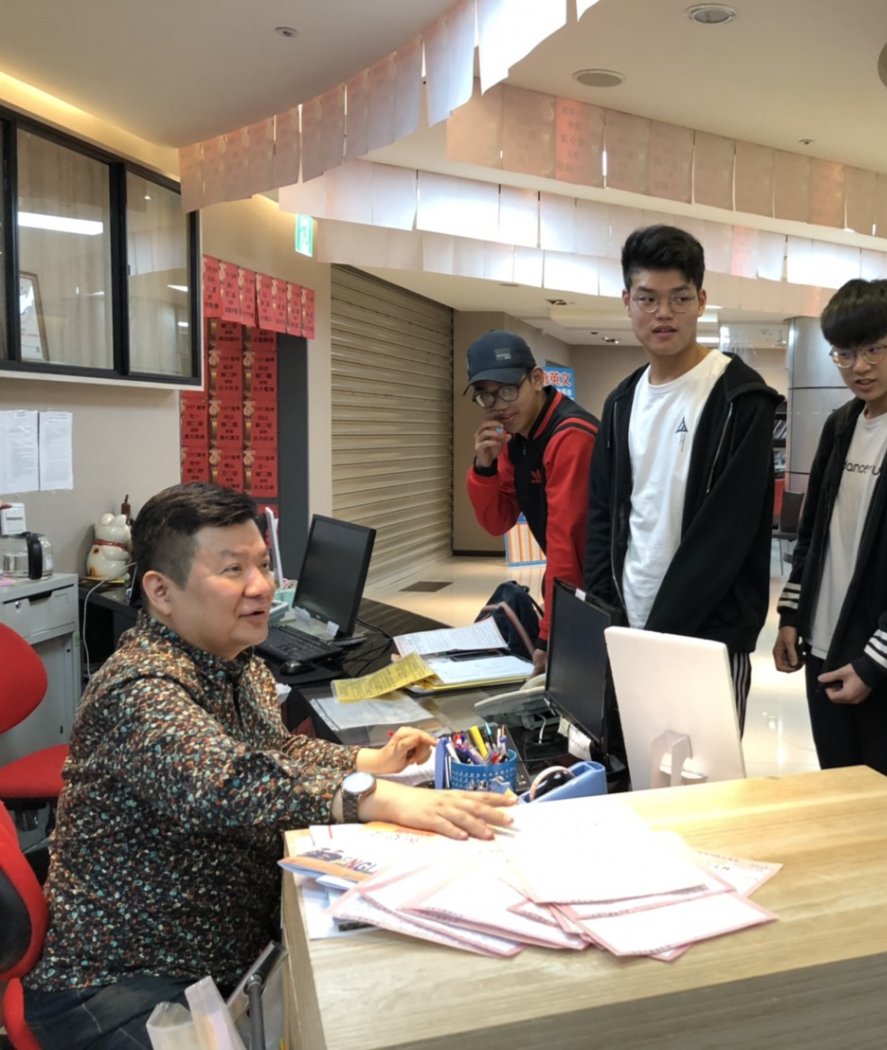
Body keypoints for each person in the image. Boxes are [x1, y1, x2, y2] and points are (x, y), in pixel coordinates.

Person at [23, 483, 514, 1047]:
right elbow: (223, 783)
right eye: (233, 569)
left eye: (262, 564)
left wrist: (368, 760)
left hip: (226, 965)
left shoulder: (237, 661)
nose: (261, 586)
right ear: (160, 591)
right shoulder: (137, 687)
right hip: (122, 984)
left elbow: (274, 750)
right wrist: (370, 796)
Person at [585, 225, 780, 728]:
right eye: (648, 298)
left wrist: (659, 636)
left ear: (701, 301)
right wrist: (608, 614)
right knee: (629, 764)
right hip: (628, 626)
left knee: (703, 773)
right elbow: (602, 516)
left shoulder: (740, 399)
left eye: (679, 298)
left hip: (707, 637)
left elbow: (726, 537)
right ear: (627, 301)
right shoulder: (621, 402)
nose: (663, 313)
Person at [773, 278, 887, 793]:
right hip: (824, 647)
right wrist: (792, 617)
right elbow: (813, 534)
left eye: (874, 349)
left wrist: (874, 666)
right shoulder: (842, 423)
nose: (860, 366)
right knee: (839, 795)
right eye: (845, 353)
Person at [466, 330, 598, 671]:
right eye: (486, 396)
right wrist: (484, 467)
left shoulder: (570, 436)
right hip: (572, 592)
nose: (499, 405)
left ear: (537, 379)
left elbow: (567, 543)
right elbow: (497, 521)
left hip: (601, 596)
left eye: (508, 390)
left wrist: (549, 635)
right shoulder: (517, 439)